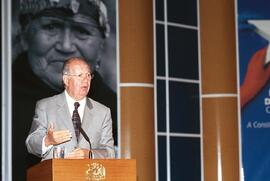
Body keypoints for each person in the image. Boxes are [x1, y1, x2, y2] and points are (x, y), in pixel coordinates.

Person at [12, 0, 117, 180]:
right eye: (51, 26)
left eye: (82, 31)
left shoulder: (113, 109)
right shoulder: (7, 104)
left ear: (101, 45)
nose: (66, 46)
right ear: (24, 35)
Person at [26, 57, 115, 159]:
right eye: (80, 75)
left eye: (88, 75)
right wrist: (47, 140)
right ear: (66, 80)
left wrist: (89, 154)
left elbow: (110, 153)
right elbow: (31, 144)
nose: (86, 80)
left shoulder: (103, 112)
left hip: (89, 173)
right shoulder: (45, 107)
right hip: (57, 173)